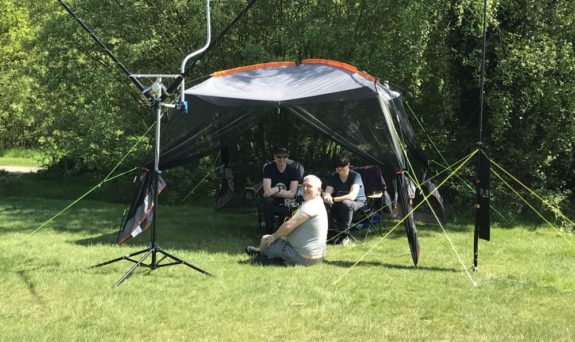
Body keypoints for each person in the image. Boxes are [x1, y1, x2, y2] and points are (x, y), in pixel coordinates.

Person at [245, 175, 328, 266]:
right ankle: (266, 255)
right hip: (316, 257)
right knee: (275, 240)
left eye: (309, 186)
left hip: (302, 257)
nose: (304, 188)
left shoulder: (310, 206)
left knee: (265, 239)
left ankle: (267, 258)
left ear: (319, 190)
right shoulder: (318, 202)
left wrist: (274, 237)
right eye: (303, 185)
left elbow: (288, 226)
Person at [323, 154, 367, 245]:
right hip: (340, 203)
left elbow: (352, 196)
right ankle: (331, 232)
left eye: (342, 167)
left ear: (348, 165)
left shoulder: (355, 176)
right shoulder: (334, 176)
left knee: (347, 203)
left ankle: (344, 235)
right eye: (337, 168)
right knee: (325, 203)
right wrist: (327, 197)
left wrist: (333, 199)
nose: (340, 170)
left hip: (358, 203)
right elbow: (327, 193)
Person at [261, 147, 300, 234]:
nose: (282, 159)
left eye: (284, 156)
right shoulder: (268, 168)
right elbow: (267, 193)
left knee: (290, 203)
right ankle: (269, 229)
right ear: (274, 157)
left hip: (286, 199)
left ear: (287, 157)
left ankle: (285, 230)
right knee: (267, 201)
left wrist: (274, 190)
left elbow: (292, 194)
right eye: (279, 156)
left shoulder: (294, 170)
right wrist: (278, 189)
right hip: (272, 199)